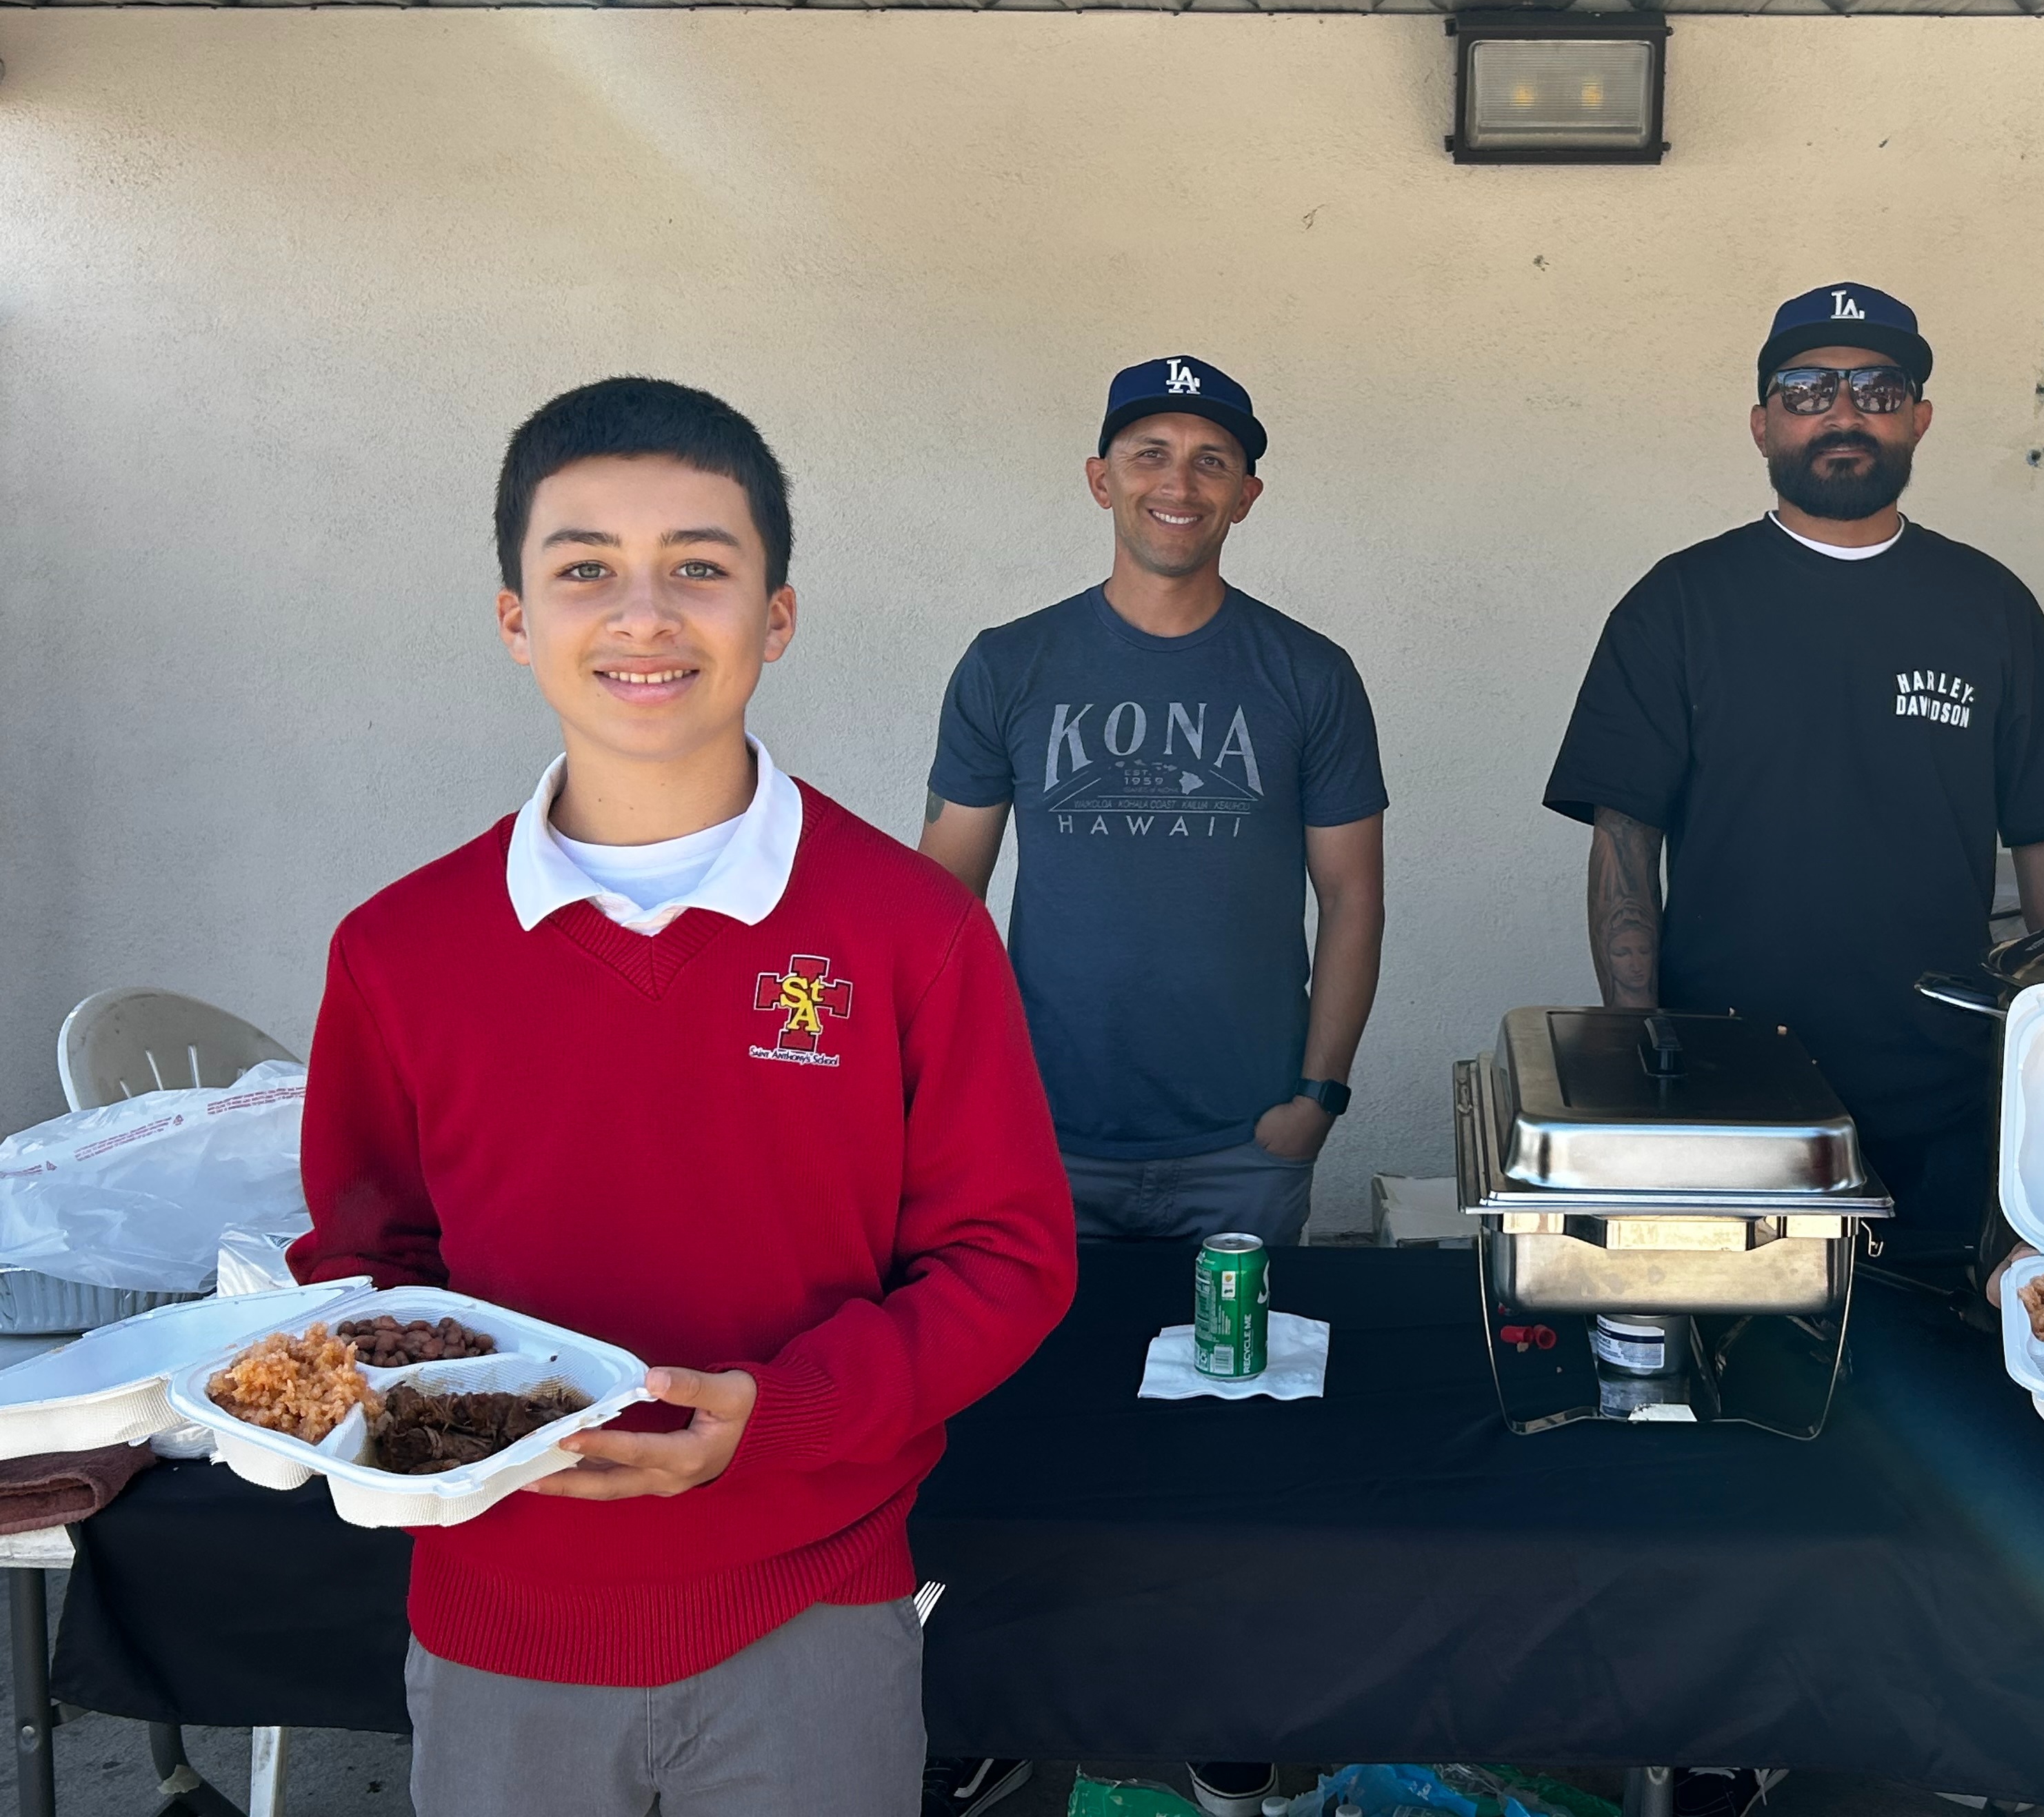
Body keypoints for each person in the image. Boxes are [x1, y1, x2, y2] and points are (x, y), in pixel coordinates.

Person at [288, 378, 1077, 1817]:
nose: (643, 615)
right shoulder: (400, 948)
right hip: (499, 1622)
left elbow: (1007, 1261)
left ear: (775, 616)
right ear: (515, 618)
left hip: (811, 1612)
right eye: (584, 568)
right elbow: (362, 1261)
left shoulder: (910, 931)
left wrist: (777, 1415)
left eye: (699, 569)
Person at [917, 353, 1385, 1817]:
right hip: (1034, 1146)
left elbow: (1353, 900)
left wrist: (1315, 1093)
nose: (1176, 480)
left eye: (1209, 458)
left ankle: (1215, 1717)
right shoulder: (1012, 663)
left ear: (1248, 491)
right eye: (1149, 450)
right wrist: (935, 1103)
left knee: (1223, 1460)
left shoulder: (1304, 672)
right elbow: (940, 900)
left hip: (1238, 1150)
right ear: (1098, 476)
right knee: (1008, 1438)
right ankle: (990, 1709)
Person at [1544, 281, 2044, 1268]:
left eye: (1877, 387)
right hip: (1728, 1084)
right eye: (1808, 390)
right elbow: (1625, 844)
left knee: (1938, 1366)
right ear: (1762, 424)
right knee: (1736, 1370)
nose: (1844, 413)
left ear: (1920, 418)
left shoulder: (1986, 606)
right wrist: (1642, 1051)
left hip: (1945, 1086)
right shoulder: (1679, 604)